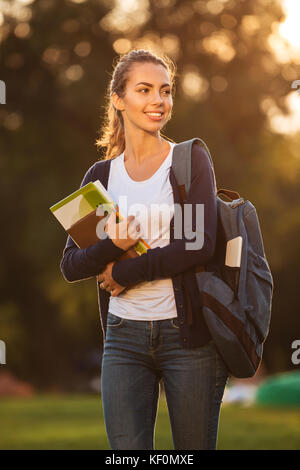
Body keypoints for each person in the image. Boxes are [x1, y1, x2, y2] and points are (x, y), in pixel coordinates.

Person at [60, 49, 229, 450]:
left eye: (166, 91)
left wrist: (125, 272)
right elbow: (70, 265)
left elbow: (197, 244)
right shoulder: (101, 175)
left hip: (187, 338)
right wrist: (111, 246)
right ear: (119, 99)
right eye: (145, 89)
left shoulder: (189, 161)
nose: (159, 100)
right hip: (122, 339)